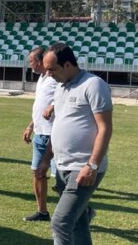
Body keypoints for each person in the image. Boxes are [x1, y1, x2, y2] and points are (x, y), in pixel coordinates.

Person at [38, 43, 113, 245]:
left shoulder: (93, 85)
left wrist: (92, 165)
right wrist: (46, 160)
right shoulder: (60, 87)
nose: (48, 74)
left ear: (68, 64)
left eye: (52, 69)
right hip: (62, 167)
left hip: (83, 168)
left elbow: (105, 128)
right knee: (78, 223)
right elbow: (58, 126)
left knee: (60, 223)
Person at [22, 47, 58, 222]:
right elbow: (39, 106)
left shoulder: (55, 78)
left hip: (55, 135)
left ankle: (82, 210)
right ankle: (42, 212)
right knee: (37, 173)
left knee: (62, 181)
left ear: (40, 60)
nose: (30, 65)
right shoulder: (42, 79)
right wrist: (30, 126)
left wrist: (53, 107)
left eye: (31, 61)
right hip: (40, 134)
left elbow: (64, 98)